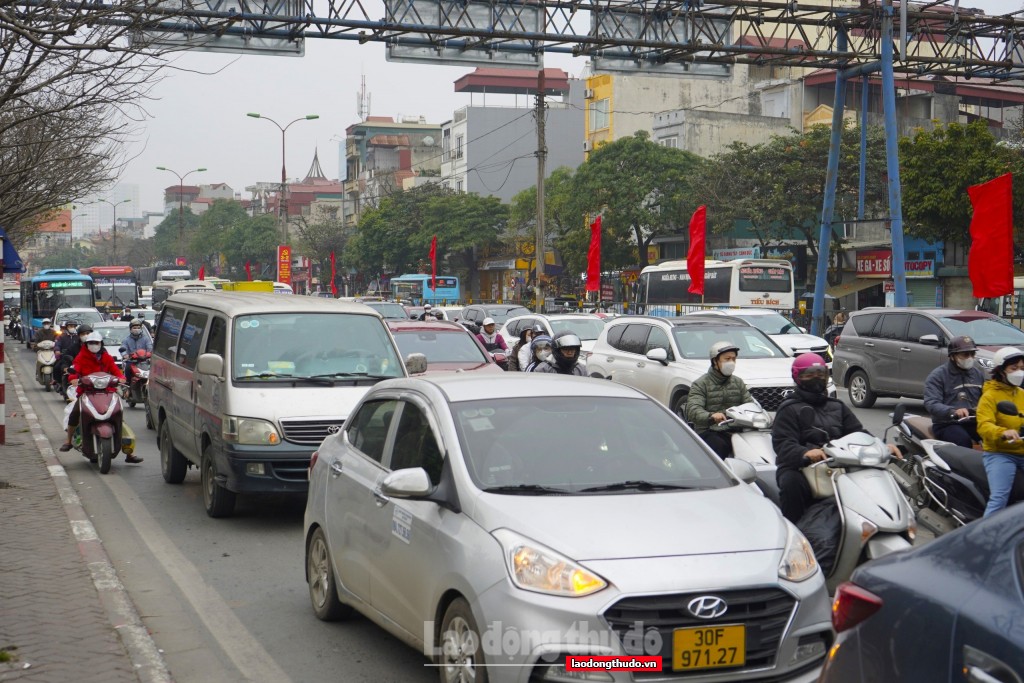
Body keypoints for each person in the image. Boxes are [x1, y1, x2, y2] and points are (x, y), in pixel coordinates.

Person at [772, 352, 900, 523]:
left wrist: (880, 447)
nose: (816, 378)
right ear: (797, 377)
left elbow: (858, 434)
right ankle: (794, 531)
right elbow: (783, 444)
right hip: (802, 468)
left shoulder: (837, 406)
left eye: (820, 374)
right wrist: (805, 453)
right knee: (791, 484)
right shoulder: (789, 409)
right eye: (809, 375)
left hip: (840, 466)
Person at [59, 332, 140, 462]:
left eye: (96, 343)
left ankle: (128, 453)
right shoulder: (81, 357)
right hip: (86, 392)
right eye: (91, 343)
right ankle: (68, 441)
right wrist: (73, 378)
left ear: (101, 344)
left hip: (107, 392)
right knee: (74, 414)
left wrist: (122, 378)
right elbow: (75, 369)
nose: (94, 345)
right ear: (86, 344)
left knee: (118, 416)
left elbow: (115, 370)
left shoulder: (106, 357)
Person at [976, 346, 1024, 517]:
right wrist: (1003, 432)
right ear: (1001, 370)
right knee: (999, 498)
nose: (1019, 372)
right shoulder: (990, 396)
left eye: (1022, 368)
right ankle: (986, 539)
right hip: (1001, 454)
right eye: (1014, 368)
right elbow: (984, 425)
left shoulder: (1022, 394)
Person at [685, 341, 753, 460]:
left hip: (735, 430)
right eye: (727, 359)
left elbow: (750, 404)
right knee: (720, 445)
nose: (731, 363)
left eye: (733, 359)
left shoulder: (738, 382)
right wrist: (711, 416)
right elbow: (693, 410)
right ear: (715, 361)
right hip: (710, 430)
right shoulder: (701, 384)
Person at [923, 335, 984, 448]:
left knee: (992, 438)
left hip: (972, 421)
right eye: (965, 354)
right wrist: (953, 411)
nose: (970, 358)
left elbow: (986, 398)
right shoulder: (938, 376)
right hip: (947, 423)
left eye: (972, 354)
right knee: (963, 441)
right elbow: (931, 403)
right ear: (952, 356)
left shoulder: (977, 374)